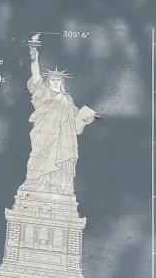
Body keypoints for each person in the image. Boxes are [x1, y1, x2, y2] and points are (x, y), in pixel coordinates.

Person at [21, 43, 99, 195]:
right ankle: (36, 184)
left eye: (58, 80)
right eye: (52, 80)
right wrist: (34, 59)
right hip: (44, 133)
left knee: (61, 158)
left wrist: (87, 115)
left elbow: (75, 117)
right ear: (48, 82)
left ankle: (57, 188)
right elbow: (36, 77)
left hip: (63, 137)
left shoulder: (67, 99)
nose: (55, 82)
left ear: (62, 83)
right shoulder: (43, 94)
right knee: (39, 157)